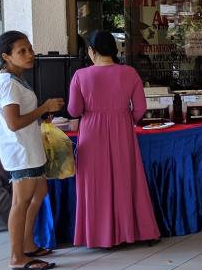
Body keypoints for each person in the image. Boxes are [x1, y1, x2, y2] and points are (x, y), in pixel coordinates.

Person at [68, 30, 160, 248]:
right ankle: (132, 231)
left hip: (91, 131)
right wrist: (125, 118)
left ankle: (98, 236)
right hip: (122, 128)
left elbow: (74, 109)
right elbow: (140, 109)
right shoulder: (129, 73)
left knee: (93, 184)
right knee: (126, 179)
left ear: (92, 51)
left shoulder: (81, 76)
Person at [0, 31, 64, 270]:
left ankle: (27, 244)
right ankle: (16, 256)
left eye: (30, 49)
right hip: (20, 150)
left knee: (39, 193)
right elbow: (13, 123)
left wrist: (41, 114)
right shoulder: (8, 84)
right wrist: (43, 107)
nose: (30, 55)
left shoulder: (16, 79)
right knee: (20, 202)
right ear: (6, 56)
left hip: (29, 148)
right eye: (21, 51)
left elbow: (22, 117)